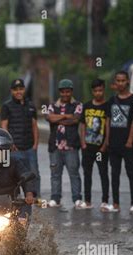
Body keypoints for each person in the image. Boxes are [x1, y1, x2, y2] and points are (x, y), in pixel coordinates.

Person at [46, 79, 83, 209]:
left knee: (74, 173)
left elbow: (76, 119)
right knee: (55, 174)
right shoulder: (52, 105)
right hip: (55, 146)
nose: (65, 94)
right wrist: (67, 116)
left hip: (71, 145)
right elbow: (49, 118)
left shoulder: (78, 104)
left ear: (71, 91)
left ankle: (77, 199)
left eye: (68, 91)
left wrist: (59, 119)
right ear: (60, 92)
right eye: (63, 92)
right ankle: (55, 198)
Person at [1, 78, 41, 198]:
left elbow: (34, 125)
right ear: (11, 91)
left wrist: (35, 145)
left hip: (29, 147)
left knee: (34, 174)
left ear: (24, 90)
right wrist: (10, 144)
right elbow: (4, 127)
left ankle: (35, 198)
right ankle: (15, 198)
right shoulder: (6, 106)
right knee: (15, 175)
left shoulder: (31, 105)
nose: (18, 92)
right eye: (15, 89)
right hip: (15, 148)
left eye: (21, 89)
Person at [107, 71, 133, 214]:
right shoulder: (111, 100)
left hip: (128, 144)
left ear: (127, 82)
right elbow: (108, 121)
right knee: (114, 173)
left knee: (131, 172)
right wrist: (107, 140)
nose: (120, 83)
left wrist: (130, 140)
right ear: (115, 82)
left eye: (123, 81)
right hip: (114, 143)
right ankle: (115, 203)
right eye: (118, 81)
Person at [80, 78, 112, 212]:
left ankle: (105, 201)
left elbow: (108, 125)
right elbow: (82, 124)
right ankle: (87, 201)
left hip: (101, 148)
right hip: (88, 146)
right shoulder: (86, 106)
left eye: (100, 90)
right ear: (92, 91)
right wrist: (82, 142)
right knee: (87, 174)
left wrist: (105, 143)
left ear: (103, 90)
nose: (98, 93)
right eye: (95, 91)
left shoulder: (107, 106)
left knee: (103, 173)